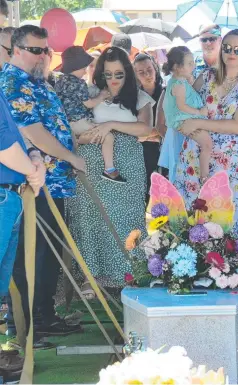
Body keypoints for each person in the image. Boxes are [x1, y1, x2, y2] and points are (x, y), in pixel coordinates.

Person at [0, 25, 85, 340]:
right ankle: (26, 325)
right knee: (29, 257)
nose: (44, 55)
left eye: (46, 50)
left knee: (49, 255)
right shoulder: (12, 82)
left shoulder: (38, 82)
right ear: (18, 50)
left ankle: (44, 316)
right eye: (36, 50)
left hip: (55, 181)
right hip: (33, 184)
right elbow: (32, 132)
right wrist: (72, 157)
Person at [174, 29, 238, 284]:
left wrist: (200, 122)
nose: (231, 53)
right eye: (227, 47)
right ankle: (193, 271)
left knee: (236, 214)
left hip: (231, 161)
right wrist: (187, 122)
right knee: (197, 212)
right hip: (196, 155)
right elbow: (181, 105)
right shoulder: (204, 77)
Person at [66, 47, 153, 297]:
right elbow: (72, 126)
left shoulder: (139, 97)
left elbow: (146, 129)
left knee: (128, 216)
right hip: (91, 164)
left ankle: (131, 272)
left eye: (118, 74)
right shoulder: (91, 94)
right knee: (90, 218)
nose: (113, 80)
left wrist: (111, 125)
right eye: (108, 74)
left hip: (126, 164)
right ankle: (90, 276)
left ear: (127, 73)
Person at [0, 89, 46, 377]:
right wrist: (33, 170)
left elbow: (12, 133)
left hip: (10, 195)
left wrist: (33, 155)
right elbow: (4, 145)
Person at [55, 46, 124, 183]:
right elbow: (89, 104)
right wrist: (102, 96)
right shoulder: (78, 83)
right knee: (108, 136)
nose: (86, 70)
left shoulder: (60, 81)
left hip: (65, 124)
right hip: (78, 121)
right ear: (78, 66)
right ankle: (109, 169)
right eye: (84, 67)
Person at [163, 46, 211, 183]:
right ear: (178, 67)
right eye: (189, 63)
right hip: (184, 120)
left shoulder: (181, 81)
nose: (193, 65)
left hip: (185, 119)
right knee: (207, 144)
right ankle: (204, 177)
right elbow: (182, 106)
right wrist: (199, 112)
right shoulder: (179, 85)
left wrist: (190, 80)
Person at [133, 52, 163, 204]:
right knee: (143, 195)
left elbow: (168, 128)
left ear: (155, 69)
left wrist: (149, 134)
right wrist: (156, 133)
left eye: (149, 69)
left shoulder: (166, 92)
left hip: (165, 152)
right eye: (141, 72)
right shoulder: (134, 97)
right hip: (142, 155)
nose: (147, 74)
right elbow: (136, 133)